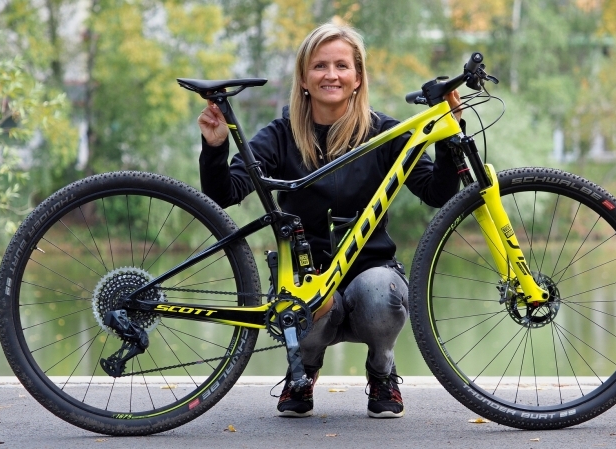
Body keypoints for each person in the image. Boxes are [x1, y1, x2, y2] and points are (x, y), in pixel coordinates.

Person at [198, 22, 462, 419]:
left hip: (371, 277)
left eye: (342, 66)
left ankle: (382, 371)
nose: (331, 75)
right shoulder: (281, 135)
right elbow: (226, 193)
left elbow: (436, 193)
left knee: (381, 292)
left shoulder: (384, 133)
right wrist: (215, 146)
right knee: (308, 299)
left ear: (358, 77)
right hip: (307, 280)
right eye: (320, 66)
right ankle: (302, 370)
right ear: (304, 79)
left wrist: (448, 141)